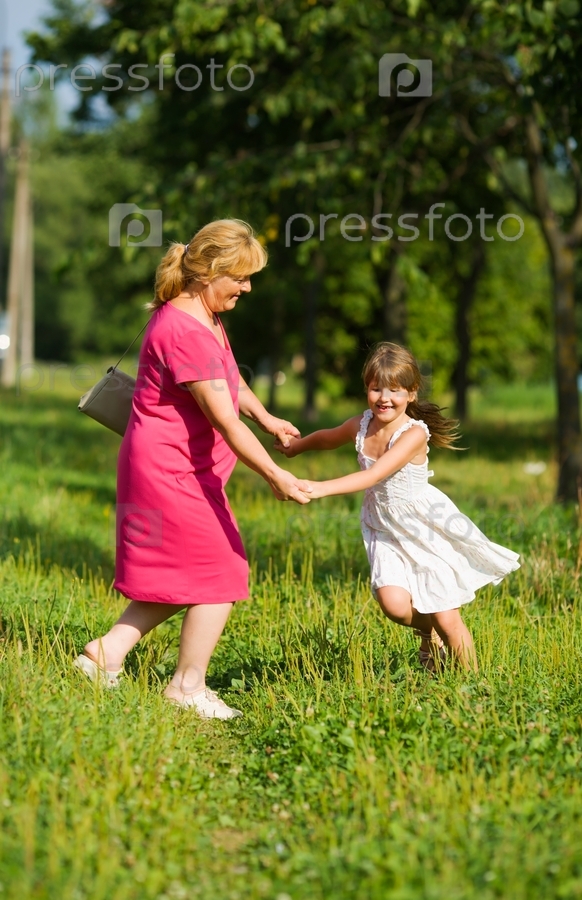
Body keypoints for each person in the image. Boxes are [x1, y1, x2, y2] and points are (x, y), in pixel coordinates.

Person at [74, 219, 311, 717]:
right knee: (223, 572)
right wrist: (275, 475)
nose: (247, 288)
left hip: (177, 468)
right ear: (209, 273)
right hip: (169, 472)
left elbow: (229, 379)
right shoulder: (186, 330)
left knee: (188, 574)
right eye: (240, 277)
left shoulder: (202, 317)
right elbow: (224, 420)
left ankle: (106, 654)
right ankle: (186, 688)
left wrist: (267, 417)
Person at [275, 342, 520, 671]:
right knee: (393, 605)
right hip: (384, 527)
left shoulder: (414, 434)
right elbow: (327, 437)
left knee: (448, 619)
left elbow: (374, 475)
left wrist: (319, 488)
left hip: (423, 527)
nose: (384, 398)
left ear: (412, 393)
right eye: (376, 388)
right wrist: (296, 448)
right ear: (367, 389)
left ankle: (473, 685)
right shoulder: (361, 426)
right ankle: (428, 633)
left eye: (395, 390)